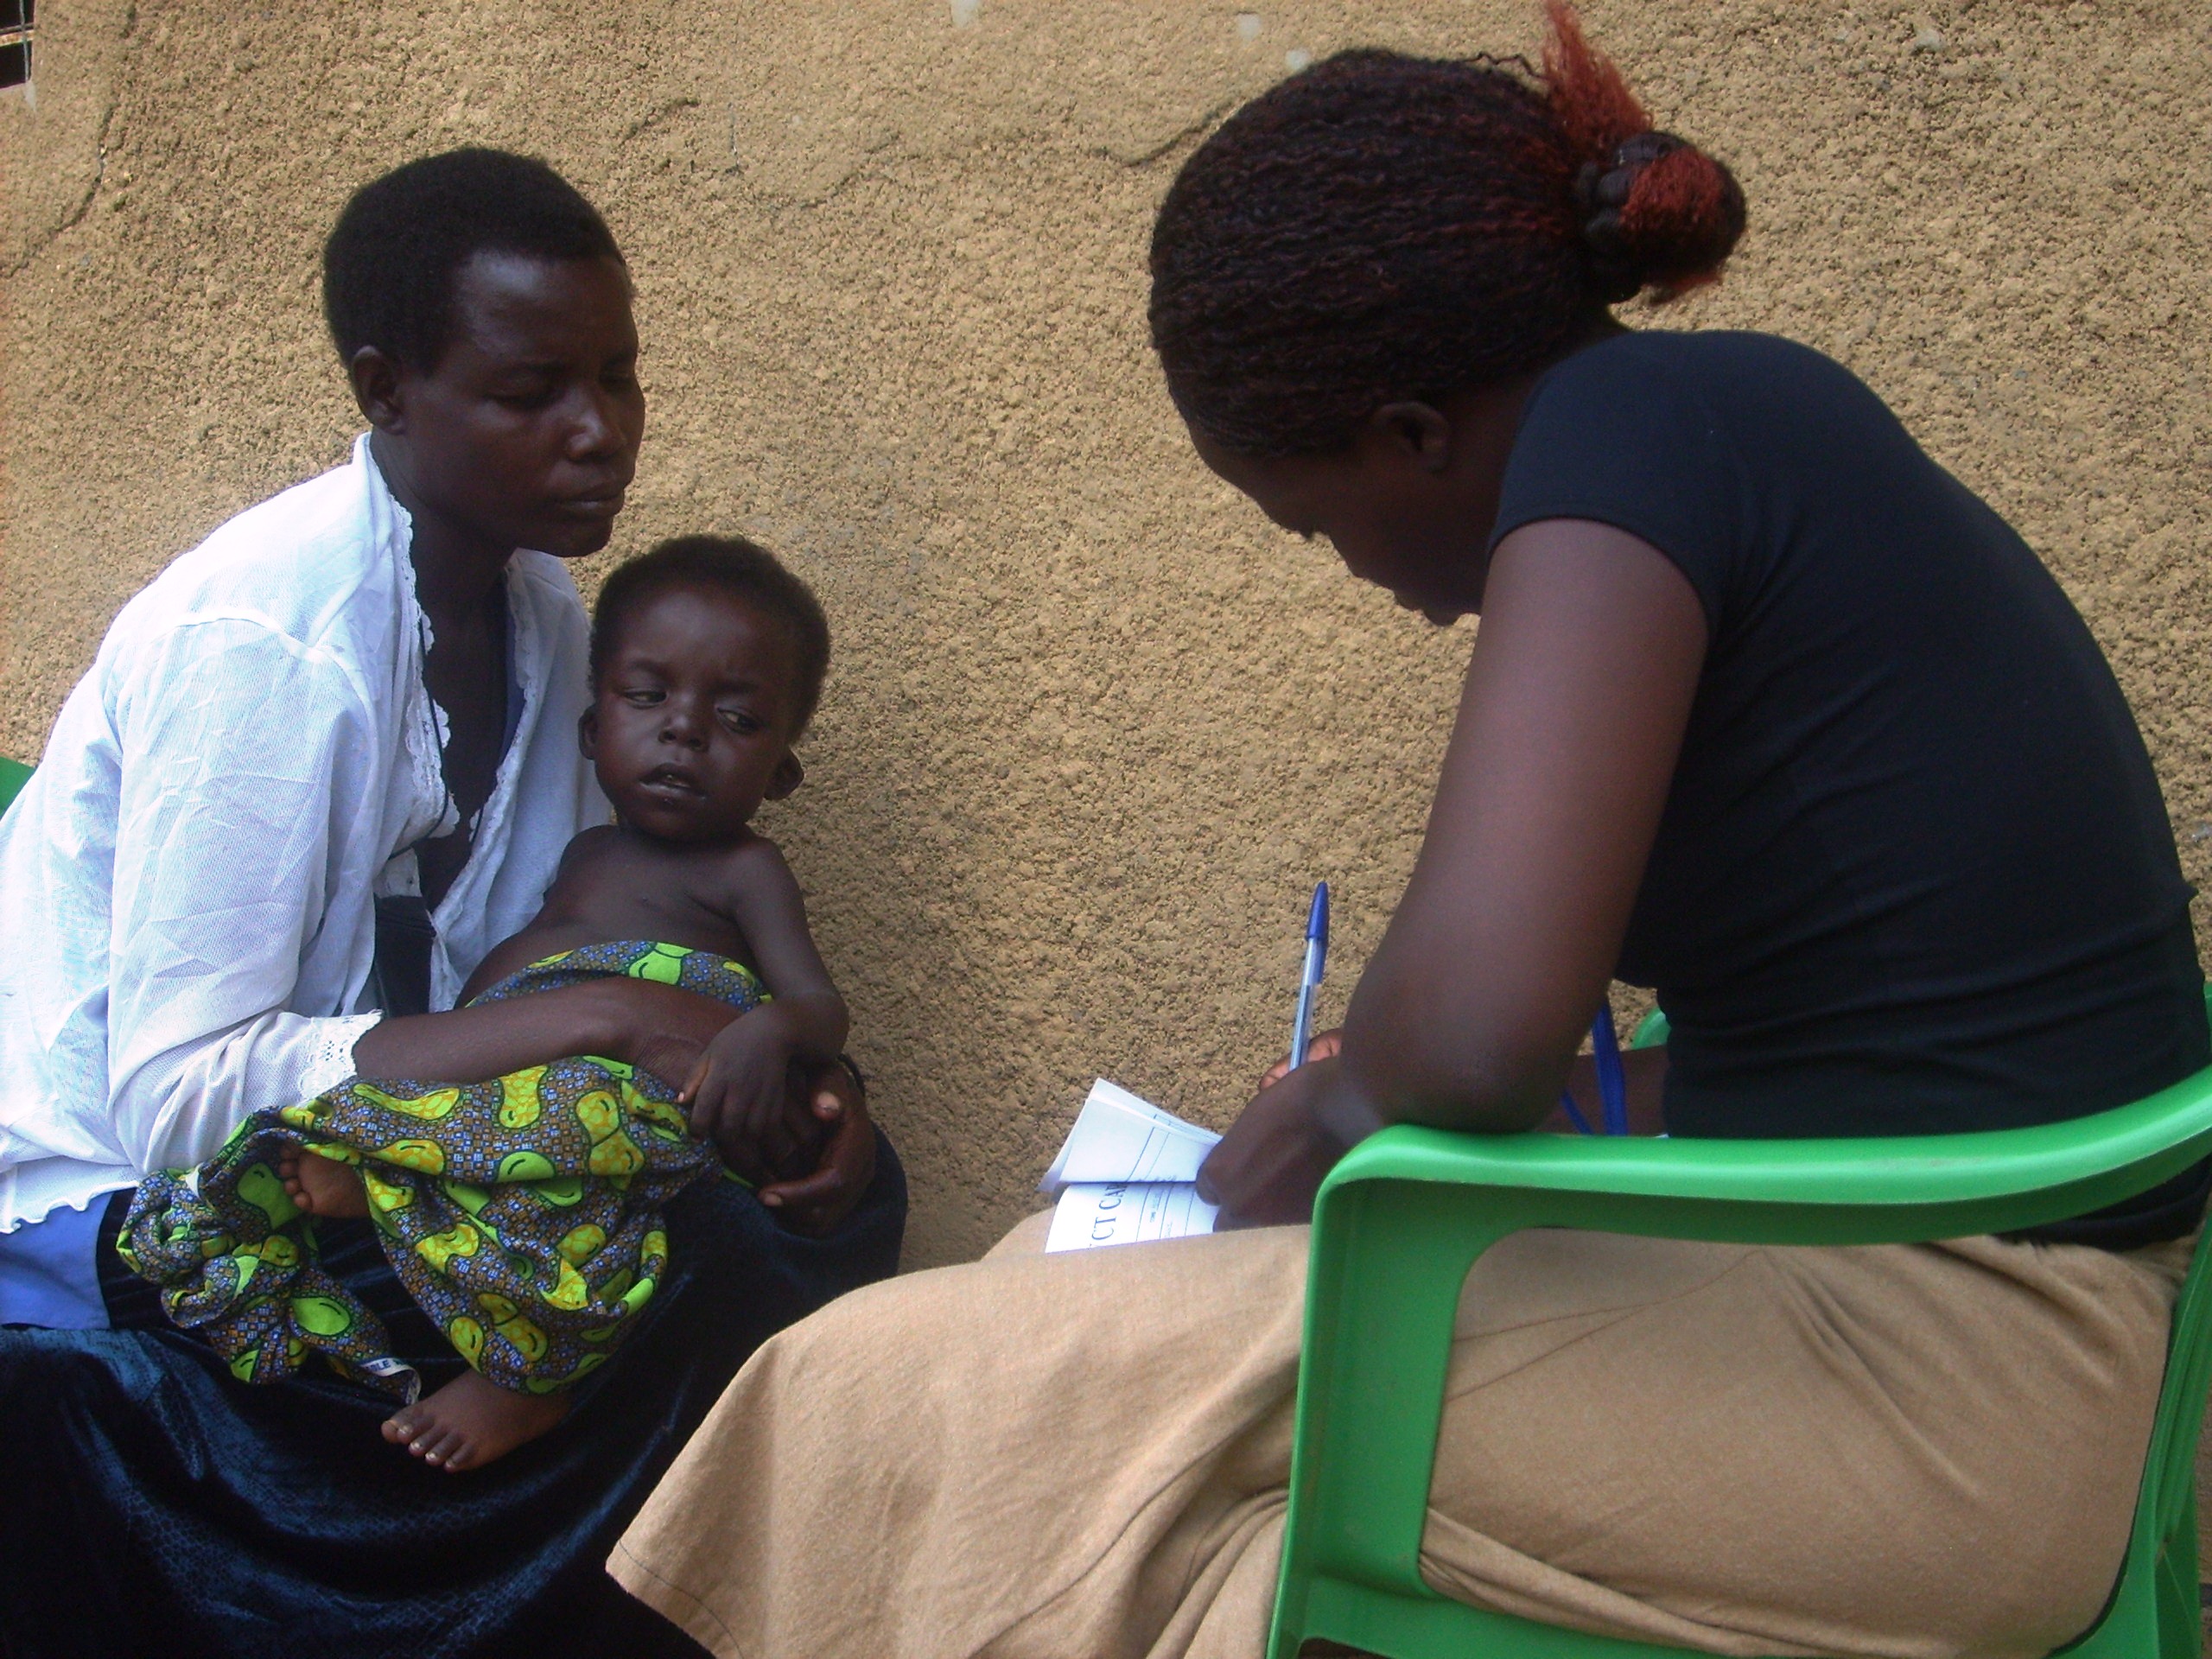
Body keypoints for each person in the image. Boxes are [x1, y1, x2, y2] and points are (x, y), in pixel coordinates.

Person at [607, 9, 2206, 1657]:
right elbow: (1885, 1037)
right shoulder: (1744, 420)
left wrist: (1351, 1092)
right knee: (1049, 1322)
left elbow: (1479, 1035)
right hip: (1925, 1290)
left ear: (1415, 434)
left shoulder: (1626, 434)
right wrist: (1439, 1087)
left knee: (890, 1389)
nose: (1352, 572)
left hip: (1960, 1384)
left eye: (1311, 519)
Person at [0, 150, 903, 1658]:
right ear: (387, 390)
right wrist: (621, 1018)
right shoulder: (269, 646)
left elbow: (555, 963)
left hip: (402, 1137)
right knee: (686, 1254)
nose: (598, 432)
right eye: (533, 389)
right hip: (130, 1187)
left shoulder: (551, 623)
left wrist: (797, 1077)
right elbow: (173, 1096)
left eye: (621, 379)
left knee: (803, 1184)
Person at [120, 535, 856, 1474]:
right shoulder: (585, 848)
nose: (685, 730)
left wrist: (769, 1035)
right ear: (592, 736)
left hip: (649, 1087)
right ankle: (385, 1177)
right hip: (551, 1058)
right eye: (648, 698)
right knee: (393, 1108)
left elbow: (818, 1006)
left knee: (575, 1134)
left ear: (781, 773)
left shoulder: (747, 870)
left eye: (739, 718)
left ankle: (529, 1376)